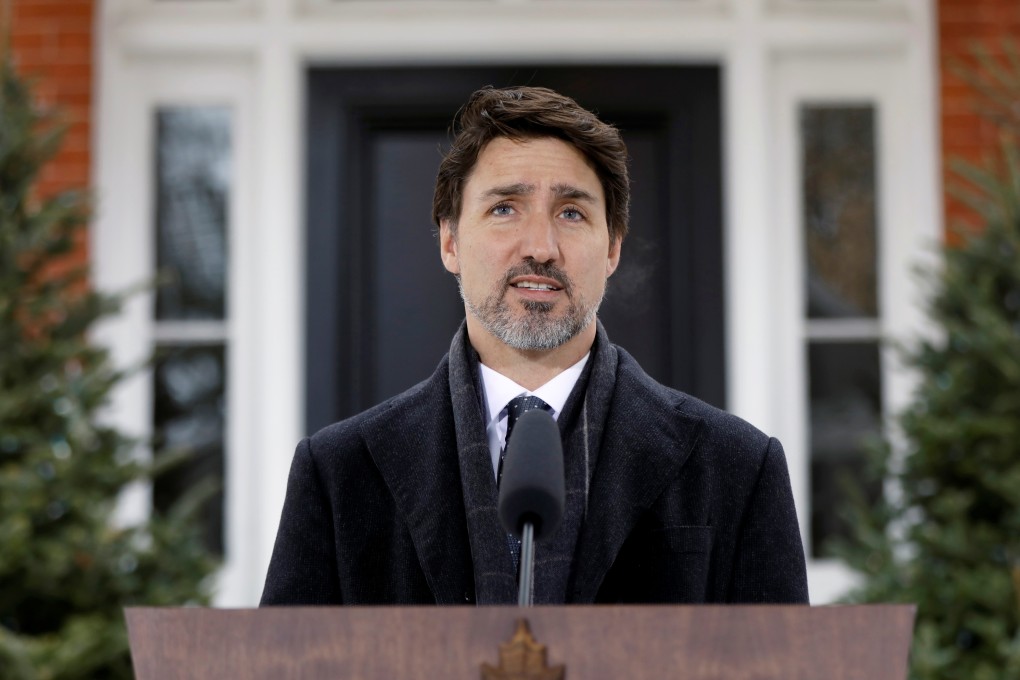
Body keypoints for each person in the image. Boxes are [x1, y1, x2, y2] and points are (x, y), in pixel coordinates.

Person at [260, 86, 808, 606]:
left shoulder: (737, 468)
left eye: (572, 213)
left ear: (613, 248)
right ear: (450, 240)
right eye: (505, 208)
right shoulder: (337, 476)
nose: (541, 248)